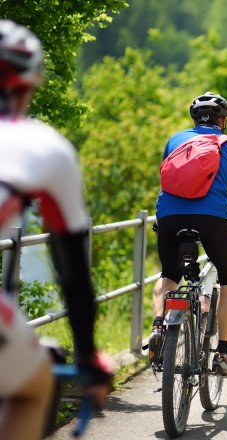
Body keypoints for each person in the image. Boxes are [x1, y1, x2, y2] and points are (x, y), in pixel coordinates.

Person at [0, 19, 113, 440]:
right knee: (35, 388)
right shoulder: (44, 147)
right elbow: (72, 270)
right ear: (29, 83)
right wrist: (88, 357)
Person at [152, 91, 227, 376]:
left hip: (170, 217)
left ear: (194, 119)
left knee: (168, 275)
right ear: (223, 122)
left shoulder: (175, 141)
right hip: (213, 221)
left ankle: (159, 325)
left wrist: (164, 219)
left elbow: (167, 183)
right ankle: (223, 352)